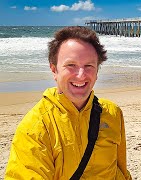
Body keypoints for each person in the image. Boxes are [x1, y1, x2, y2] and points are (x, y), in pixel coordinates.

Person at [6, 26, 131, 179]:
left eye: (89, 66)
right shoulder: (36, 127)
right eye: (71, 65)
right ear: (54, 70)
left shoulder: (112, 113)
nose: (80, 75)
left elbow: (121, 171)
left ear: (97, 71)